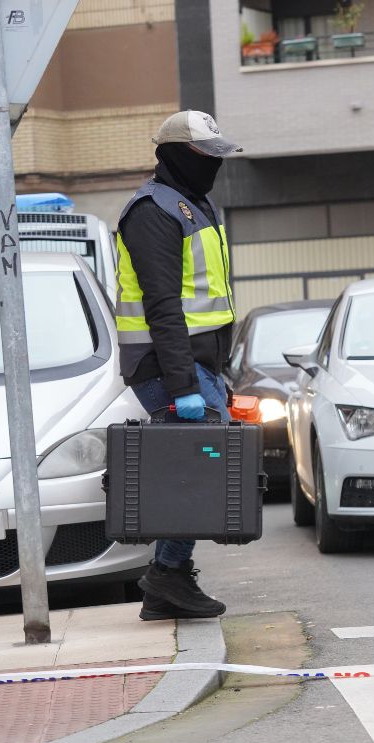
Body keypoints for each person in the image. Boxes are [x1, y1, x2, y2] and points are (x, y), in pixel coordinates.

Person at [115, 110, 242, 621]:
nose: (214, 165)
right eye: (205, 156)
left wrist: (215, 371)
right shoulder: (152, 211)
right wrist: (183, 385)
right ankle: (167, 574)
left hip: (196, 364)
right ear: (174, 155)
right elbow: (163, 307)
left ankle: (163, 587)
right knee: (204, 468)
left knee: (198, 467)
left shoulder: (194, 204)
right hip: (167, 365)